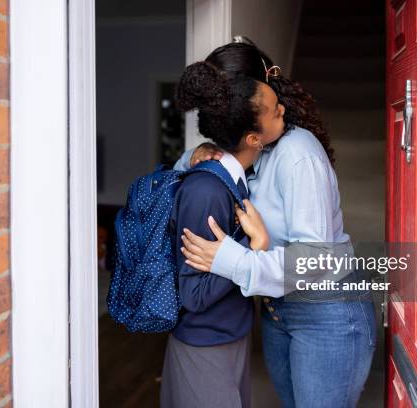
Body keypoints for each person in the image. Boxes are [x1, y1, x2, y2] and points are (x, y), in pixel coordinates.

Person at [174, 39, 377, 408]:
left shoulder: (297, 154)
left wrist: (230, 259)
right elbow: (178, 183)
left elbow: (315, 259)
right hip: (276, 309)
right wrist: (193, 156)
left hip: (326, 313)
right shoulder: (247, 147)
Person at [160, 58, 285, 408]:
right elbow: (194, 296)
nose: (283, 111)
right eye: (275, 111)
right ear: (253, 138)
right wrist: (254, 244)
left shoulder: (234, 181)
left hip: (230, 334)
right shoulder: (207, 191)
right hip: (203, 346)